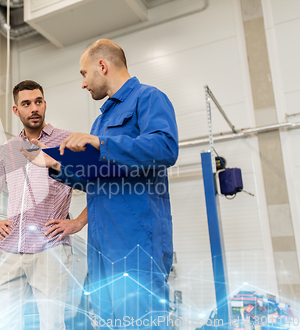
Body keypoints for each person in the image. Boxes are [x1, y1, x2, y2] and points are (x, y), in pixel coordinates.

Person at [22, 40, 178, 329]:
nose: (83, 83)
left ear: (102, 66)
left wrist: (102, 144)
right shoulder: (101, 121)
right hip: (101, 246)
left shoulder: (149, 98)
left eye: (84, 73)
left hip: (136, 244)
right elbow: (95, 178)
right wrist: (54, 164)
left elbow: (165, 147)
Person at [0, 80, 80, 330]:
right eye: (26, 104)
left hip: (50, 248)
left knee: (51, 324)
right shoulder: (10, 147)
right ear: (17, 110)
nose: (33, 108)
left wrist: (78, 222)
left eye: (38, 102)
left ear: (45, 104)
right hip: (12, 249)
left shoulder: (66, 141)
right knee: (4, 323)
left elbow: (99, 185)